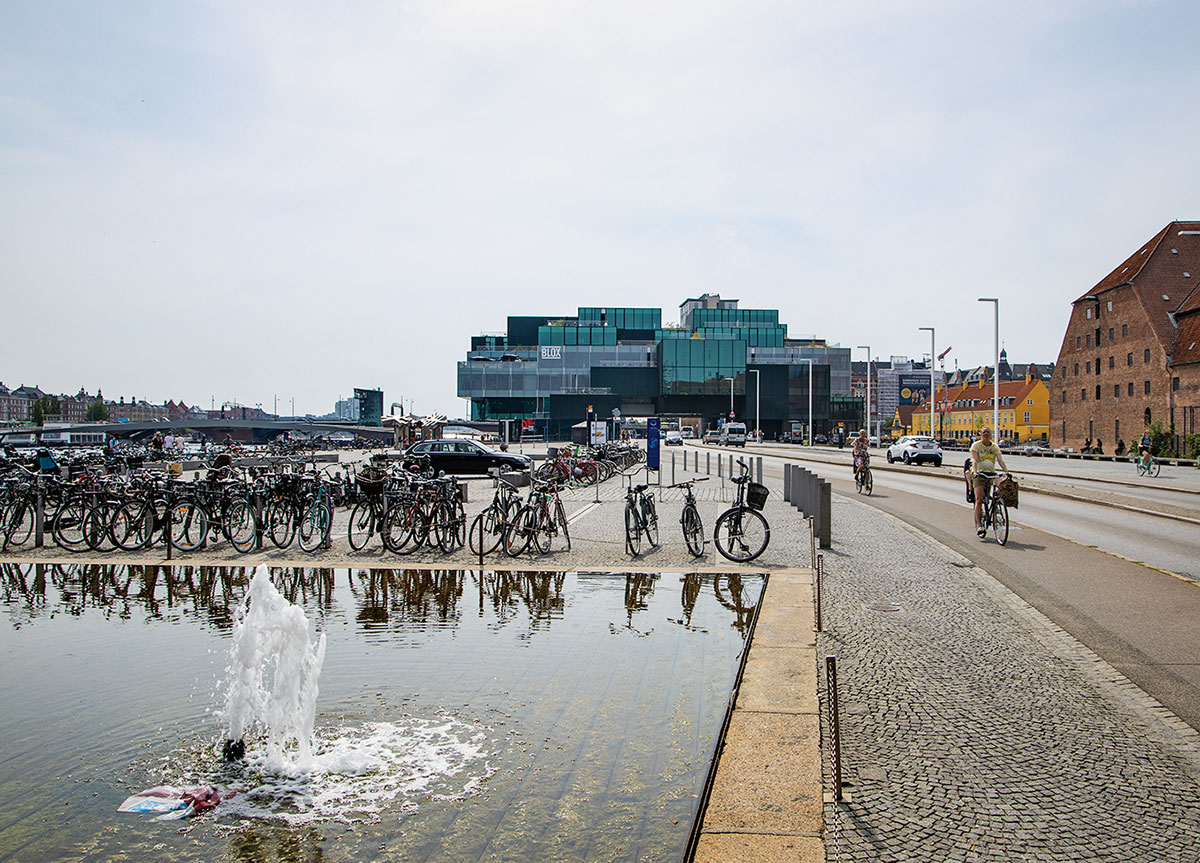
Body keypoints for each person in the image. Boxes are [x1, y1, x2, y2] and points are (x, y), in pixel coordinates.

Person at [969, 427, 1008, 538]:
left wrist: (1006, 472)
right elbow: (975, 460)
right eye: (984, 432)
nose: (986, 434)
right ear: (981, 434)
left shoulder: (994, 447)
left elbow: (1000, 460)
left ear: (991, 434)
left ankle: (996, 506)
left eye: (988, 432)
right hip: (980, 474)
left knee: (1002, 485)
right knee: (979, 499)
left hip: (991, 473)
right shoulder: (976, 445)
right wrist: (975, 472)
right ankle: (980, 525)